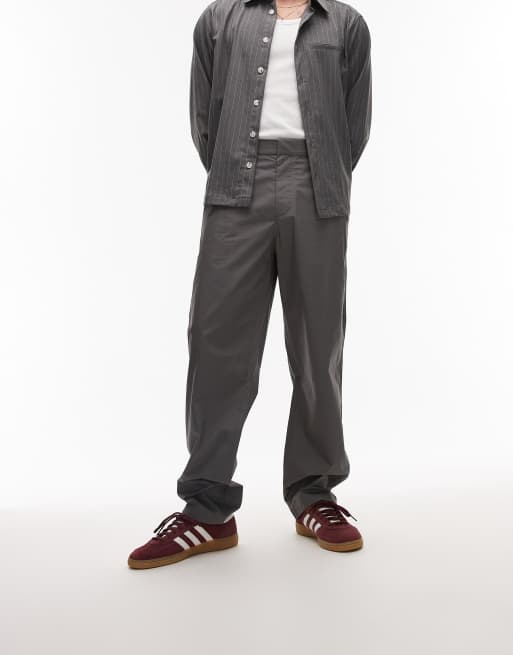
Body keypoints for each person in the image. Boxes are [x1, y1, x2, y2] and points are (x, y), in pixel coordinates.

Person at [128, 0, 372, 569]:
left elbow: (354, 126)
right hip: (235, 183)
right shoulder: (220, 19)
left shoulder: (345, 24)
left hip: (318, 186)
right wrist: (236, 168)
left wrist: (323, 173)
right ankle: (207, 508)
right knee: (216, 343)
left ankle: (314, 495)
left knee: (317, 345)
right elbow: (204, 118)